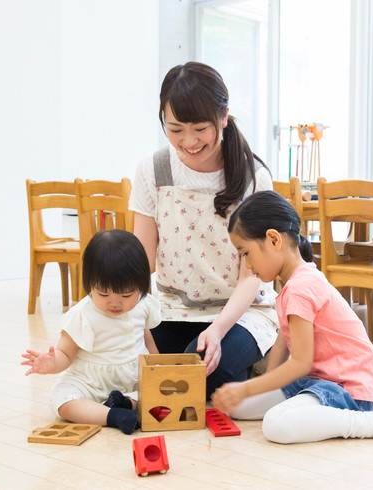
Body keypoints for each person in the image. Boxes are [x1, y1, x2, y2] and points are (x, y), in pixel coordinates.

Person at [212, 191, 373, 446]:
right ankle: (305, 408)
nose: (245, 263)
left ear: (273, 240)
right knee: (238, 407)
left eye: (245, 253)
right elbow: (282, 342)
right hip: (317, 380)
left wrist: (247, 388)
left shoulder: (301, 287)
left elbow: (300, 363)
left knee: (276, 424)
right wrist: (261, 387)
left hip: (347, 388)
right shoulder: (293, 282)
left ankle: (372, 423)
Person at [130, 62, 278, 397]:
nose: (189, 141)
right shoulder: (152, 169)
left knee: (204, 374)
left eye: (200, 128)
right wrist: (119, 313)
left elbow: (252, 276)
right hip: (172, 308)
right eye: (176, 128)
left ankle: (263, 360)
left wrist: (219, 327)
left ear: (223, 117)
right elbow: (142, 260)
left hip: (241, 312)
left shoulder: (253, 177)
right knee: (137, 370)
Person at [20, 229, 160, 435]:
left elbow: (146, 337)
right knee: (62, 401)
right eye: (103, 293)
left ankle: (125, 403)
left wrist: (157, 367)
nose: (115, 302)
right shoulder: (82, 314)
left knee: (158, 395)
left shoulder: (143, 305)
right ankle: (113, 415)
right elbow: (66, 353)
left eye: (126, 294)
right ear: (89, 285)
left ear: (141, 286)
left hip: (133, 379)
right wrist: (51, 363)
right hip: (90, 383)